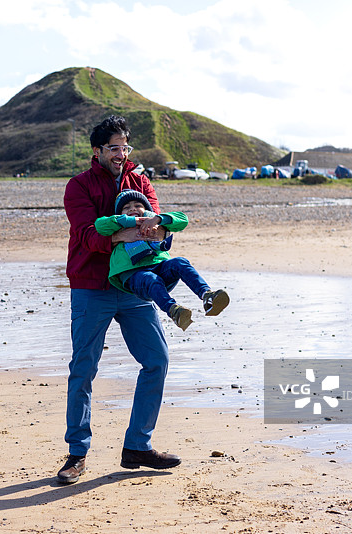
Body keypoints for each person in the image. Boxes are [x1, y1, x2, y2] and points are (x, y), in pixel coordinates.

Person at [59, 115, 179, 485]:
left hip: (134, 286)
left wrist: (142, 230)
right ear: (97, 151)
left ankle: (137, 446)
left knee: (157, 360)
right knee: (84, 369)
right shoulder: (78, 187)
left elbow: (159, 229)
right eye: (114, 147)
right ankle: (77, 454)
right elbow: (88, 236)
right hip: (91, 286)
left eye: (125, 146)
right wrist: (132, 231)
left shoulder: (141, 181)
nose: (121, 153)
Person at [94, 189, 230, 331]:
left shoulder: (155, 224)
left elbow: (183, 219)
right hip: (133, 276)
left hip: (159, 267)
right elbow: (100, 225)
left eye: (137, 205)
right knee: (150, 278)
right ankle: (174, 310)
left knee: (180, 262)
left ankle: (207, 296)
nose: (132, 208)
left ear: (146, 209)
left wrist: (158, 219)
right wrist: (131, 221)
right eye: (126, 207)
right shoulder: (118, 228)